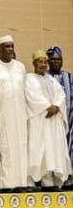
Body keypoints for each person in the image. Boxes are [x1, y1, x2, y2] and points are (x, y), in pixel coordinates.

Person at [0, 35, 29, 191]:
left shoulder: (20, 67)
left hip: (19, 115)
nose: (10, 49)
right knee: (1, 147)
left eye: (12, 46)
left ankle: (20, 183)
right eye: (6, 46)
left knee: (19, 147)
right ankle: (1, 185)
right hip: (0, 115)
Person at [26, 50, 72, 189]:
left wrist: (56, 106)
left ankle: (56, 182)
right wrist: (47, 107)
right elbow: (32, 96)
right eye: (40, 62)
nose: (43, 65)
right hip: (41, 120)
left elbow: (61, 95)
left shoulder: (51, 79)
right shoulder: (29, 79)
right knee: (43, 152)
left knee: (56, 150)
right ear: (34, 64)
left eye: (45, 62)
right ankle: (46, 182)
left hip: (54, 122)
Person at [46, 46, 73, 185]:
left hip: (69, 119)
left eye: (59, 59)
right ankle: (56, 180)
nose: (56, 62)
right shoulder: (44, 77)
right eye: (53, 60)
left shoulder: (69, 77)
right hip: (52, 121)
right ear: (48, 61)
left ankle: (70, 178)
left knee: (70, 147)